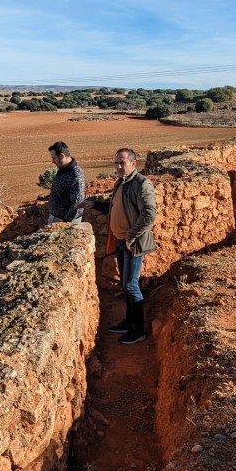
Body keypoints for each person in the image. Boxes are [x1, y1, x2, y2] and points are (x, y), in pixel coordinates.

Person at [80, 147, 157, 344]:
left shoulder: (142, 184)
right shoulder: (121, 183)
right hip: (121, 241)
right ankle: (128, 321)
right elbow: (114, 207)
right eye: (116, 163)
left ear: (133, 163)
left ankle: (138, 330)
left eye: (122, 162)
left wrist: (131, 235)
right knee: (125, 284)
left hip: (133, 243)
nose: (119, 166)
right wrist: (94, 204)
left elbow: (149, 214)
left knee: (131, 284)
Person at [47, 141, 86, 224]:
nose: (52, 161)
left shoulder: (76, 174)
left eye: (54, 158)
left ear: (61, 156)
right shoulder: (63, 170)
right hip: (55, 218)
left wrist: (66, 221)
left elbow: (77, 202)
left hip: (65, 222)